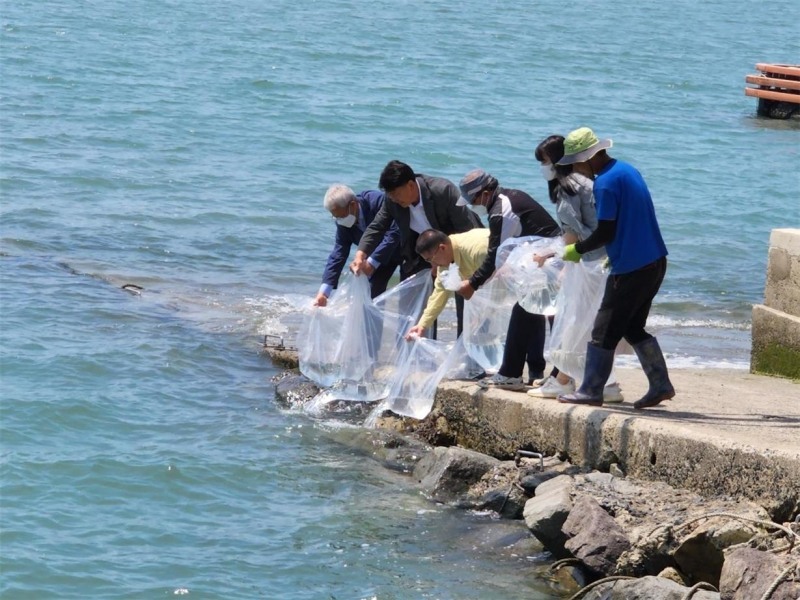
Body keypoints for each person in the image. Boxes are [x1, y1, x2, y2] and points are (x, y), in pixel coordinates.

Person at [556, 127, 674, 409]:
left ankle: (591, 390)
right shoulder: (626, 170)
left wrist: (577, 250)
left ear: (587, 158)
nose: (573, 168)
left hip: (632, 267)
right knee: (632, 327)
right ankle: (660, 384)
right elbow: (630, 220)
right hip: (655, 260)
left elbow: (605, 231)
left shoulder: (605, 183)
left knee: (603, 329)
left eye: (574, 162)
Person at [526, 136, 623, 403]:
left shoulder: (566, 188)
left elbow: (572, 234)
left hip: (590, 264)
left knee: (577, 322)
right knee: (592, 324)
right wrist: (551, 252)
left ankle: (564, 381)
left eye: (544, 162)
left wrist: (564, 266)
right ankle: (604, 383)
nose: (543, 168)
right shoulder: (586, 183)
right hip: (605, 261)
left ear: (558, 161)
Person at [454, 169, 561, 391]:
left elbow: (495, 254)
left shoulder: (500, 212)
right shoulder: (507, 197)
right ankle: (534, 373)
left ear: (484, 193)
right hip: (547, 258)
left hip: (550, 261)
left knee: (545, 315)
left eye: (473, 200)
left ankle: (519, 373)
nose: (474, 205)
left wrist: (473, 283)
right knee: (535, 312)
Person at [351, 160, 481, 335]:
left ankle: (465, 354)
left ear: (411, 185)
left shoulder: (443, 190)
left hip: (457, 249)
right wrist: (360, 255)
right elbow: (377, 226)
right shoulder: (393, 201)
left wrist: (442, 263)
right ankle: (418, 352)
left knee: (464, 303)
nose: (394, 199)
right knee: (413, 306)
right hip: (420, 253)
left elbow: (468, 230)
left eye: (396, 194)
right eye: (390, 195)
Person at [313, 185, 402, 307]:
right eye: (335, 217)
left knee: (413, 295)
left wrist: (371, 262)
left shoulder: (377, 202)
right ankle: (372, 326)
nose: (339, 220)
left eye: (341, 216)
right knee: (370, 297)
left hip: (406, 247)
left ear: (353, 205)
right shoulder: (343, 222)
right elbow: (339, 253)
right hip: (380, 258)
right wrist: (324, 292)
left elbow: (395, 232)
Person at [405, 228, 490, 340]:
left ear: (442, 248)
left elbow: (499, 285)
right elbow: (438, 295)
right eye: (428, 261)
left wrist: (482, 315)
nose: (432, 265)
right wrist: (422, 325)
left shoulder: (477, 250)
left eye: (431, 259)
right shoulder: (445, 263)